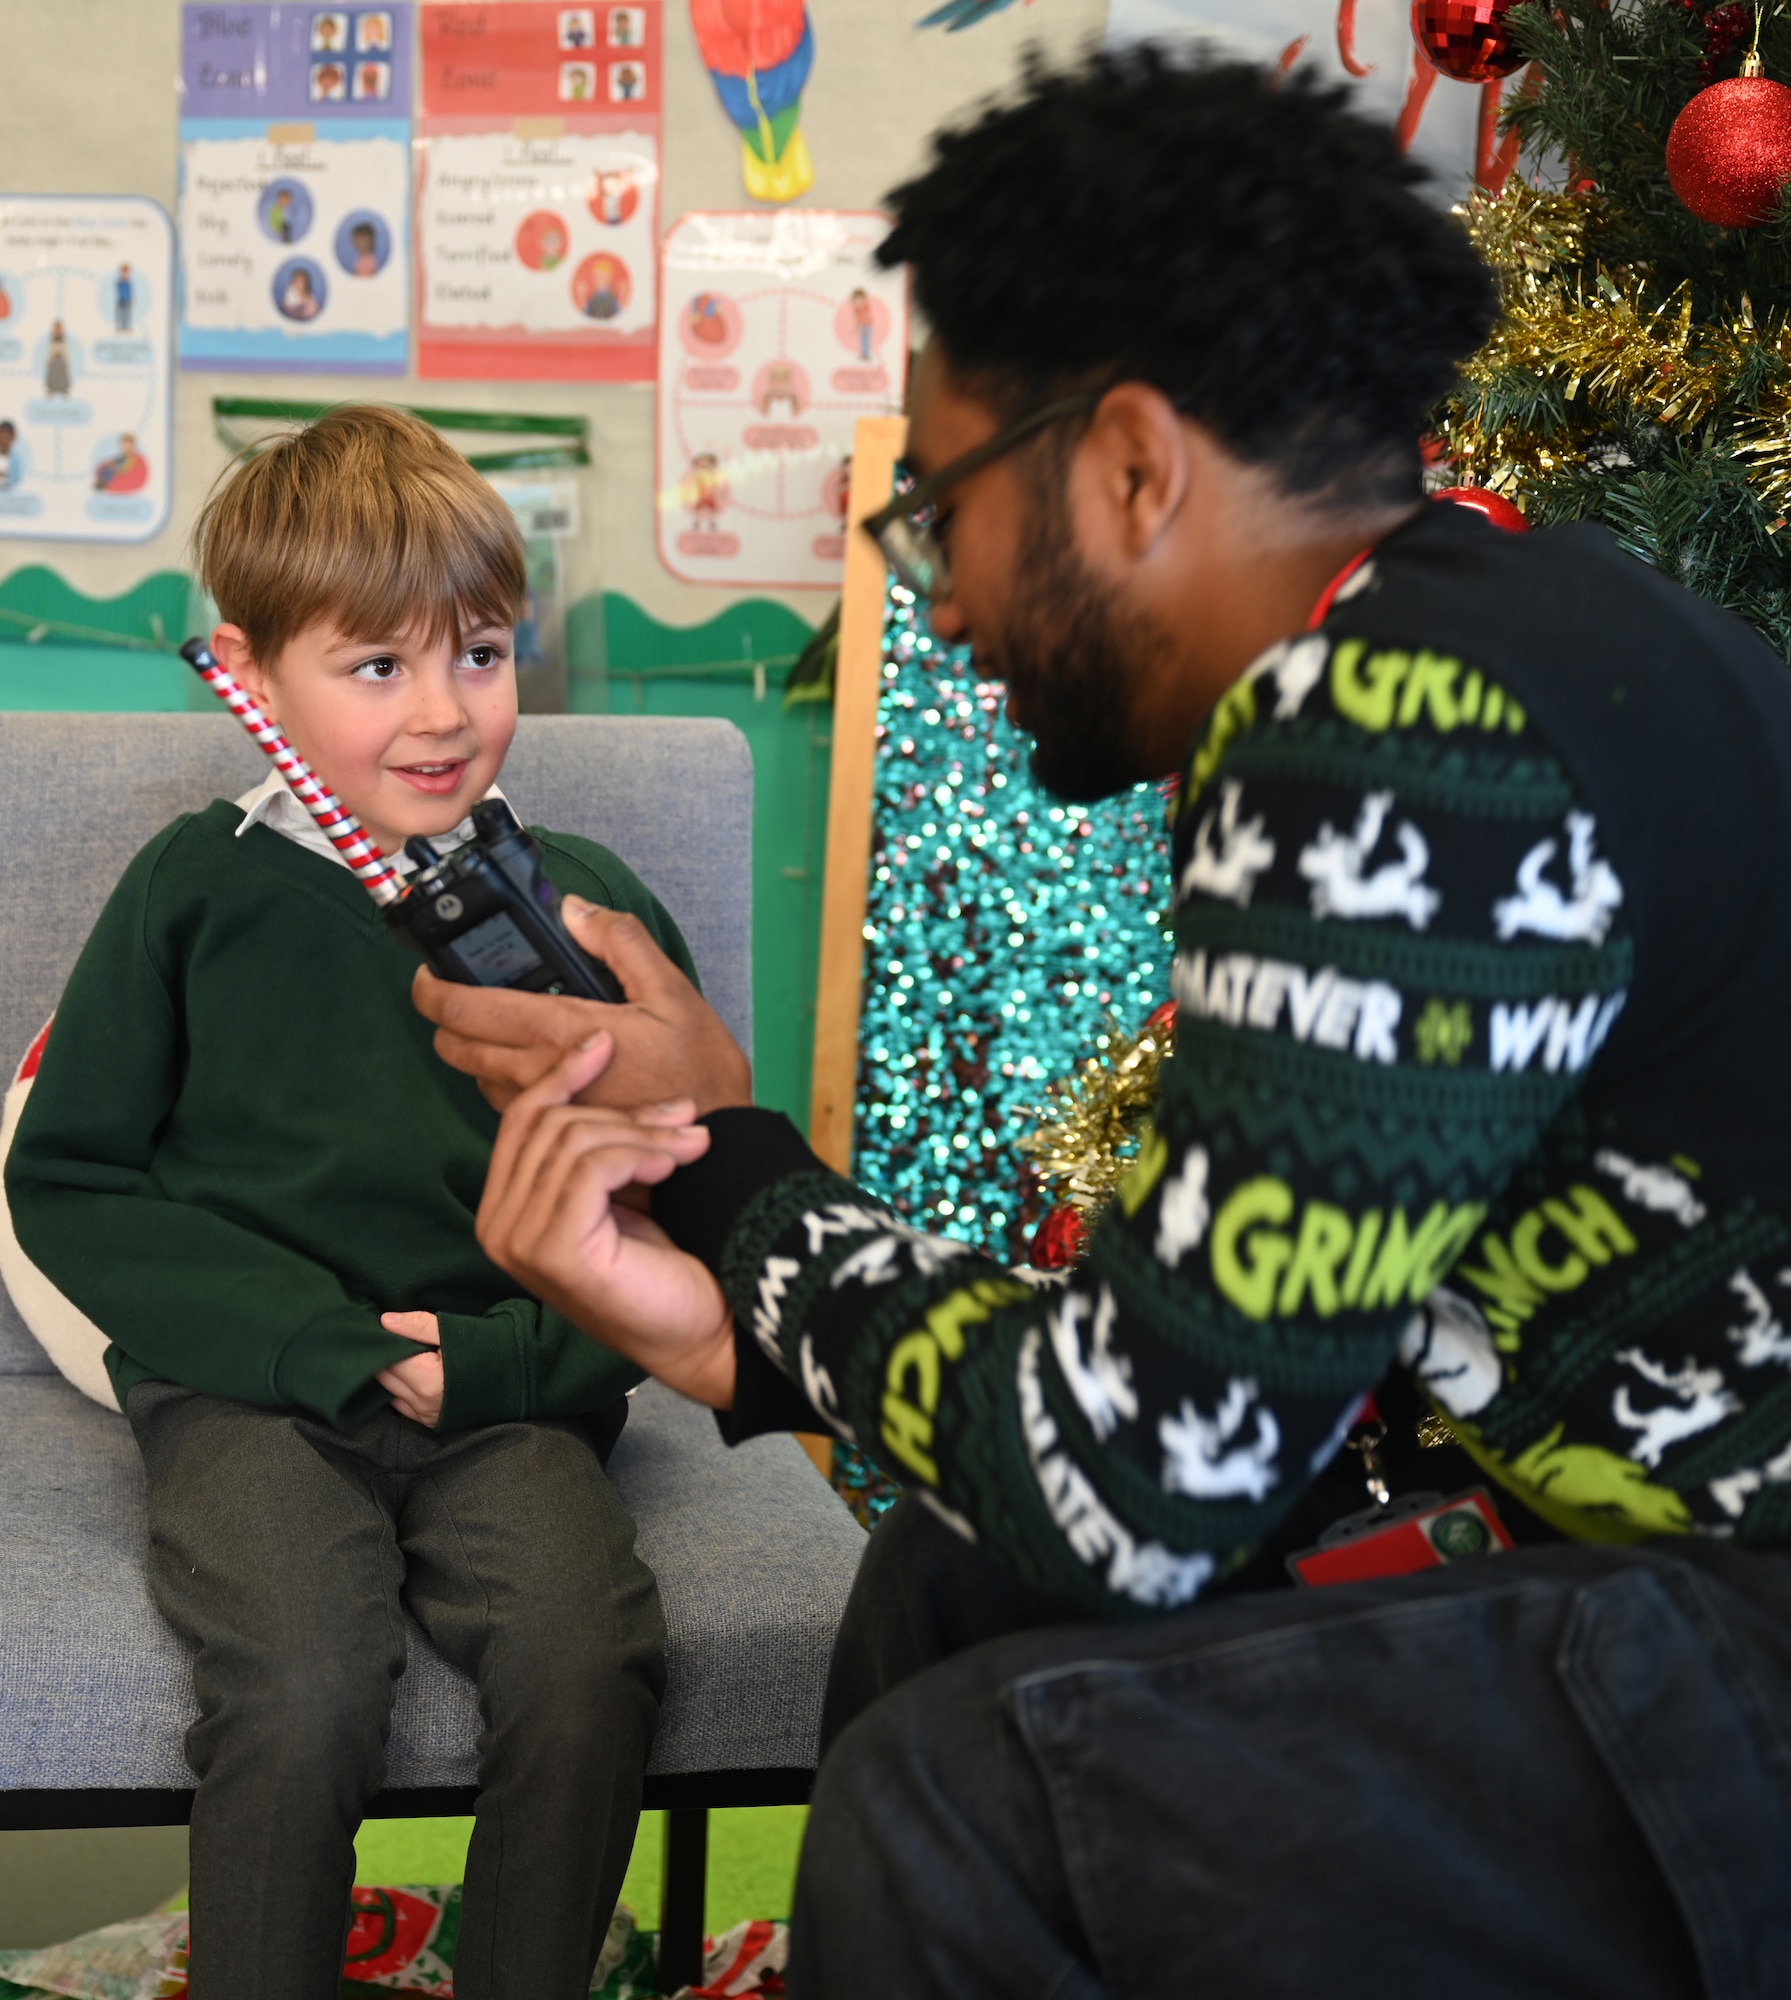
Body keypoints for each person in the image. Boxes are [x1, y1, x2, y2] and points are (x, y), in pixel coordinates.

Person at [416, 49, 1791, 2000]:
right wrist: (738, 1208)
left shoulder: (1400, 748)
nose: (945, 600)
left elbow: (1133, 1481)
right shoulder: (1492, 634)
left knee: (964, 1799)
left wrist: (735, 1187)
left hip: (1736, 1644)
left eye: (944, 506)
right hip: (1634, 1567)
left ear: (1130, 465)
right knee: (956, 1585)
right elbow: (1194, 1374)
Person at [6, 406, 677, 2000]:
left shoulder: (592, 909)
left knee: (589, 1667)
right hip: (252, 1392)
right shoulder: (194, 887)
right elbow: (73, 1180)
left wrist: (511, 1366)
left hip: (512, 1395)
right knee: (301, 1688)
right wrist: (318, 1345)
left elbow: (668, 1216)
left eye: (485, 654)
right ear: (256, 675)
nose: (445, 713)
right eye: (378, 667)